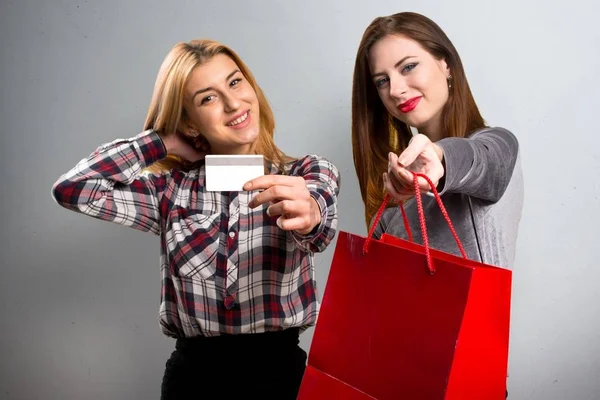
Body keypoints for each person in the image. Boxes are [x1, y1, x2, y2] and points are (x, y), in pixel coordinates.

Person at [51, 39, 340, 400]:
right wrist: (162, 142)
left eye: (235, 83)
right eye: (208, 98)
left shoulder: (304, 172)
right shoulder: (169, 191)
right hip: (193, 381)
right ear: (189, 121)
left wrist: (310, 212)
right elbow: (73, 189)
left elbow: (319, 225)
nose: (233, 104)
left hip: (280, 377)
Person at [351, 12, 523, 397]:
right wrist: (393, 207)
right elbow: (379, 285)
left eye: (408, 66)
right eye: (382, 81)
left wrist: (439, 161)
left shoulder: (494, 144)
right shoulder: (398, 179)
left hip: (465, 378)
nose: (396, 89)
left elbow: (480, 162)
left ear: (446, 64)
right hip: (395, 374)